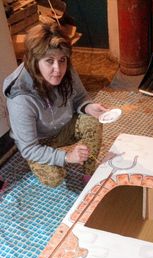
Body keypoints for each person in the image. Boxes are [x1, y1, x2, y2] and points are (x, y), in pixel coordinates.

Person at [3, 20, 107, 187]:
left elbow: (80, 97)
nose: (58, 69)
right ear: (34, 60)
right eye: (49, 61)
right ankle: (42, 163)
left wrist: (88, 107)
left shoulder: (66, 68)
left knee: (93, 121)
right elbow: (29, 148)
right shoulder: (20, 96)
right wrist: (66, 157)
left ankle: (89, 173)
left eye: (62, 60)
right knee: (54, 178)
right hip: (39, 140)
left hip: (61, 127)